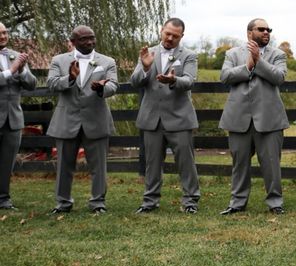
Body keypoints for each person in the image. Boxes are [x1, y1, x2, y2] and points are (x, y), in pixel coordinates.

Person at [219, 19, 289, 215]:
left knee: (272, 164)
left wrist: (259, 60)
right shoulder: (232, 54)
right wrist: (248, 66)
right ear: (250, 32)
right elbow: (225, 77)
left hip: (270, 119)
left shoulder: (278, 54)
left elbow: (279, 77)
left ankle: (275, 203)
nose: (266, 32)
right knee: (239, 164)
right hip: (238, 118)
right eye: (261, 29)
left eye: (268, 29)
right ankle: (237, 203)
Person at [46, 26, 119, 214]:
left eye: (92, 38)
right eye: (84, 39)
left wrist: (102, 88)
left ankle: (98, 203)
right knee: (64, 166)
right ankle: (62, 204)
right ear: (73, 42)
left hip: (96, 119)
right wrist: (70, 78)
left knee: (99, 167)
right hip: (66, 120)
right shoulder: (59, 60)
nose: (89, 42)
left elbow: (113, 85)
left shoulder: (107, 61)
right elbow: (51, 84)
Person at [132, 17, 201, 214]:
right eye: (167, 33)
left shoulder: (189, 55)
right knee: (152, 163)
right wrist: (146, 67)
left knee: (186, 163)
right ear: (161, 30)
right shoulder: (148, 53)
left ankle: (190, 201)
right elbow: (135, 81)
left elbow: (189, 81)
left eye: (175, 36)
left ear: (182, 36)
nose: (170, 38)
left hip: (179, 118)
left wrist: (173, 80)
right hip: (151, 118)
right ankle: (149, 202)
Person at [0, 22, 37, 210]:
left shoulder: (15, 56)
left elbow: (32, 84)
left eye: (4, 32)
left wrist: (22, 70)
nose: (3, 36)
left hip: (13, 119)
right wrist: (11, 70)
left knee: (7, 162)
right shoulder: (13, 63)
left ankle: (3, 199)